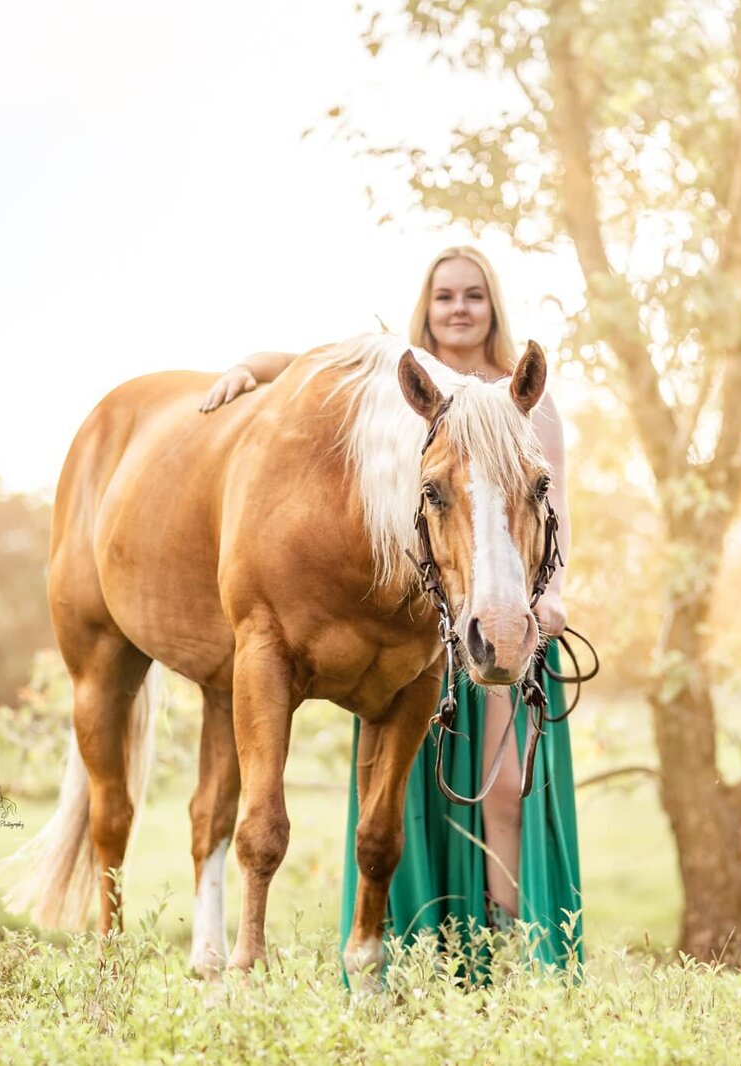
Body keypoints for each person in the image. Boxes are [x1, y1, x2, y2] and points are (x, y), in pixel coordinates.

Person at [200, 245, 582, 970]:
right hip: (421, 629)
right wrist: (255, 365)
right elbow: (331, 369)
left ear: (493, 306)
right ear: (428, 307)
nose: (460, 308)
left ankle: (504, 956)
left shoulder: (523, 396)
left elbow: (552, 503)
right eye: (445, 297)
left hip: (507, 623)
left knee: (503, 791)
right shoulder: (406, 381)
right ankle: (415, 956)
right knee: (414, 806)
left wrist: (552, 595)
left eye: (474, 295)